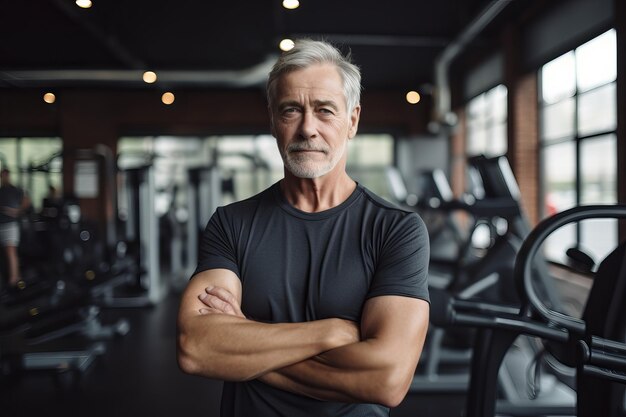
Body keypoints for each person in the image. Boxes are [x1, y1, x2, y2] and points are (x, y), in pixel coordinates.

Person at [176, 39, 430, 417]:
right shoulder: (231, 224)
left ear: (353, 121)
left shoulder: (396, 230)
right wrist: (330, 332)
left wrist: (246, 346)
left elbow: (387, 380)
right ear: (273, 120)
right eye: (291, 110)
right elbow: (196, 348)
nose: (307, 128)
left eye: (325, 111)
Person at [0, 168, 30, 289]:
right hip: (1, 224)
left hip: (10, 225)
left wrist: (18, 211)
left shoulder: (16, 190)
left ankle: (14, 278)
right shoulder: (1, 191)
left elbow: (27, 201)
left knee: (11, 251)